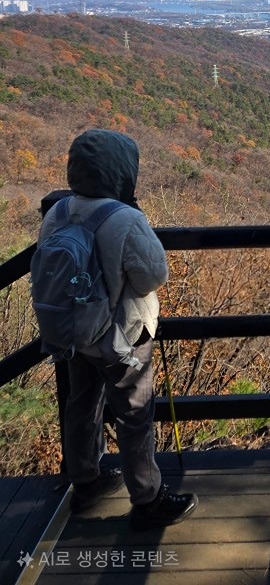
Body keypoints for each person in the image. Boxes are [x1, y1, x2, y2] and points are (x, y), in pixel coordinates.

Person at [37, 129, 197, 530]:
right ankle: (147, 498)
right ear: (122, 171)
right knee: (135, 415)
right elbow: (151, 276)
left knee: (81, 405)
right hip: (122, 338)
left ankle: (86, 480)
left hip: (75, 333)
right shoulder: (124, 218)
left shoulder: (58, 211)